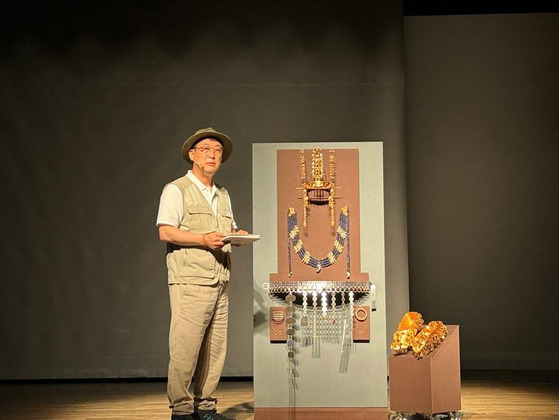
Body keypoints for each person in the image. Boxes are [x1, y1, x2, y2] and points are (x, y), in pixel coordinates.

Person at [156, 127, 246, 420]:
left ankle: (205, 407)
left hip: (220, 279)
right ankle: (181, 411)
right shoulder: (176, 189)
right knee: (186, 347)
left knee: (214, 348)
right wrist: (202, 239)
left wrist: (237, 235)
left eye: (217, 151)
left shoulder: (223, 193)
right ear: (192, 155)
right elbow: (166, 231)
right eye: (206, 149)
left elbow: (226, 230)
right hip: (191, 279)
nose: (212, 154)